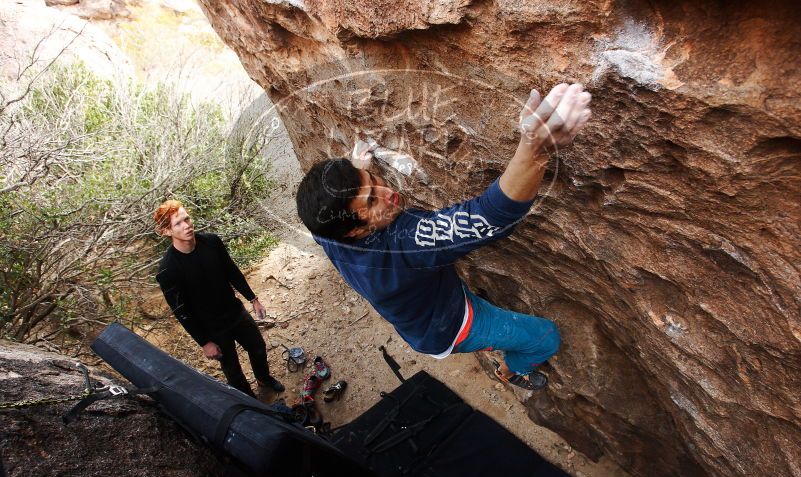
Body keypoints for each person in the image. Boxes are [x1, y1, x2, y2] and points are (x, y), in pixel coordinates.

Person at [295, 83, 591, 390]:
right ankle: (510, 369)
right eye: (371, 201)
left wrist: (357, 168)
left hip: (425, 316)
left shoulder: (329, 233)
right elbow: (488, 217)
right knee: (545, 338)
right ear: (356, 229)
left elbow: (336, 207)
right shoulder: (402, 247)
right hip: (453, 325)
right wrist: (535, 148)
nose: (389, 193)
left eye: (373, 182)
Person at [154, 200, 284, 396]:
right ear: (166, 231)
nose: (187, 225)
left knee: (258, 347)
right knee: (233, 370)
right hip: (212, 328)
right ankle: (251, 403)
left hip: (235, 312)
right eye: (178, 223)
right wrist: (204, 342)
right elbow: (182, 311)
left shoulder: (211, 242)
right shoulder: (168, 269)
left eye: (187, 219)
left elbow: (232, 271)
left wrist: (253, 299)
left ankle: (264, 379)